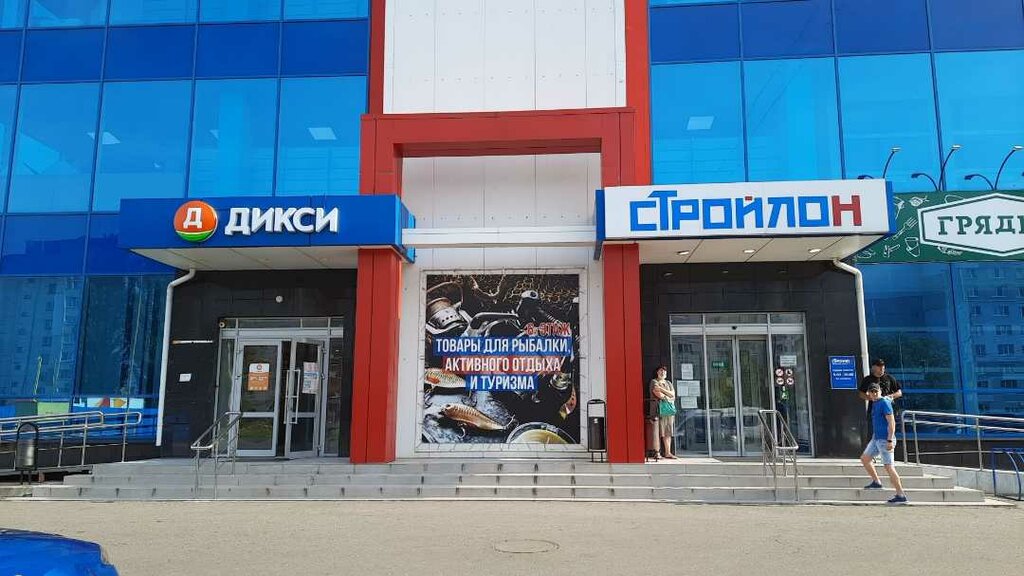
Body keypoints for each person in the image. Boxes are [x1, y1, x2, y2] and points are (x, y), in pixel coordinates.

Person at [861, 383, 908, 504]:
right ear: (869, 393)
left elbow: (891, 422)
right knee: (865, 458)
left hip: (885, 439)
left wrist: (890, 440)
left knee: (889, 466)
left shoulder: (884, 403)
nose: (874, 394)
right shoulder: (875, 403)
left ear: (880, 391)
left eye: (876, 391)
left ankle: (901, 495)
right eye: (872, 392)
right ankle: (876, 482)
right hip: (876, 438)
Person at [650, 366, 677, 459]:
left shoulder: (668, 383)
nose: (663, 373)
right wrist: (668, 395)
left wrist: (662, 389)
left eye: (664, 371)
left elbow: (673, 395)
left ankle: (668, 452)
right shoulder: (654, 382)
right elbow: (659, 395)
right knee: (657, 432)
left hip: (669, 411)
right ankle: (657, 452)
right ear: (657, 372)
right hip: (658, 411)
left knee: (668, 431)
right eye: (661, 371)